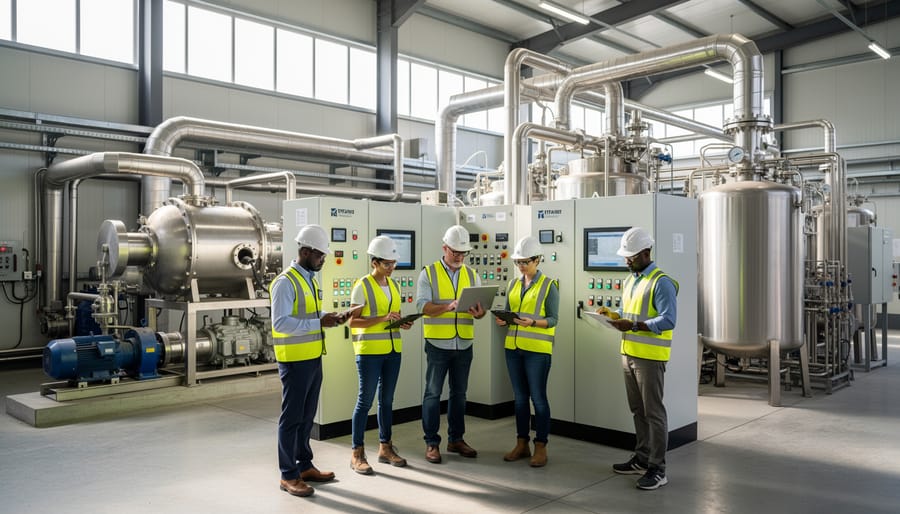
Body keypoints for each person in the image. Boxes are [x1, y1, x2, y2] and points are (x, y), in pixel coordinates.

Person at [596, 227, 678, 491]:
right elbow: (627, 312)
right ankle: (642, 458)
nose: (626, 260)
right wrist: (611, 314)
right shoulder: (632, 280)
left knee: (654, 413)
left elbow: (668, 320)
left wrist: (632, 326)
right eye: (625, 256)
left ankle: (658, 468)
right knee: (637, 410)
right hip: (629, 353)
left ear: (646, 253)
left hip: (650, 358)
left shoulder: (661, 281)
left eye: (630, 256)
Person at [270, 224, 348, 498]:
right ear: (304, 251)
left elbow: (310, 312)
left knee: (306, 417)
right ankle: (288, 475)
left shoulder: (309, 279)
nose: (323, 260)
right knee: (291, 419)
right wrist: (318, 322)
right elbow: (280, 323)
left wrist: (331, 316)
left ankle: (304, 465)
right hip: (294, 362)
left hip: (313, 357)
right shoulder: (285, 282)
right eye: (319, 256)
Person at [416, 224, 486, 464]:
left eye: (463, 252)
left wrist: (479, 313)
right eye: (455, 251)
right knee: (433, 394)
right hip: (438, 345)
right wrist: (447, 306)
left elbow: (480, 311)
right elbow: (422, 307)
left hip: (464, 344)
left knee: (459, 395)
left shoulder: (472, 274)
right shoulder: (429, 273)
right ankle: (431, 443)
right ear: (444, 247)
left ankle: (456, 439)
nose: (459, 256)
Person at [346, 236, 413, 474]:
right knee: (365, 401)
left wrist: (402, 323)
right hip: (370, 353)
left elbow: (394, 316)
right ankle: (357, 453)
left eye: (394, 263)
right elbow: (352, 321)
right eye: (387, 264)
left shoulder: (394, 286)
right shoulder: (361, 286)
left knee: (386, 401)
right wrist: (383, 319)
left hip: (393, 350)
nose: (392, 267)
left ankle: (386, 447)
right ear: (374, 262)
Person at [494, 235, 559, 468]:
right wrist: (506, 321)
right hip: (513, 348)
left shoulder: (549, 285)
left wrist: (530, 323)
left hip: (537, 351)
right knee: (520, 400)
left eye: (525, 261)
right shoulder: (513, 284)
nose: (521, 266)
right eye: (518, 262)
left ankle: (541, 446)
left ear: (538, 260)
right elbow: (512, 314)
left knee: (538, 399)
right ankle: (522, 444)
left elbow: (553, 320)